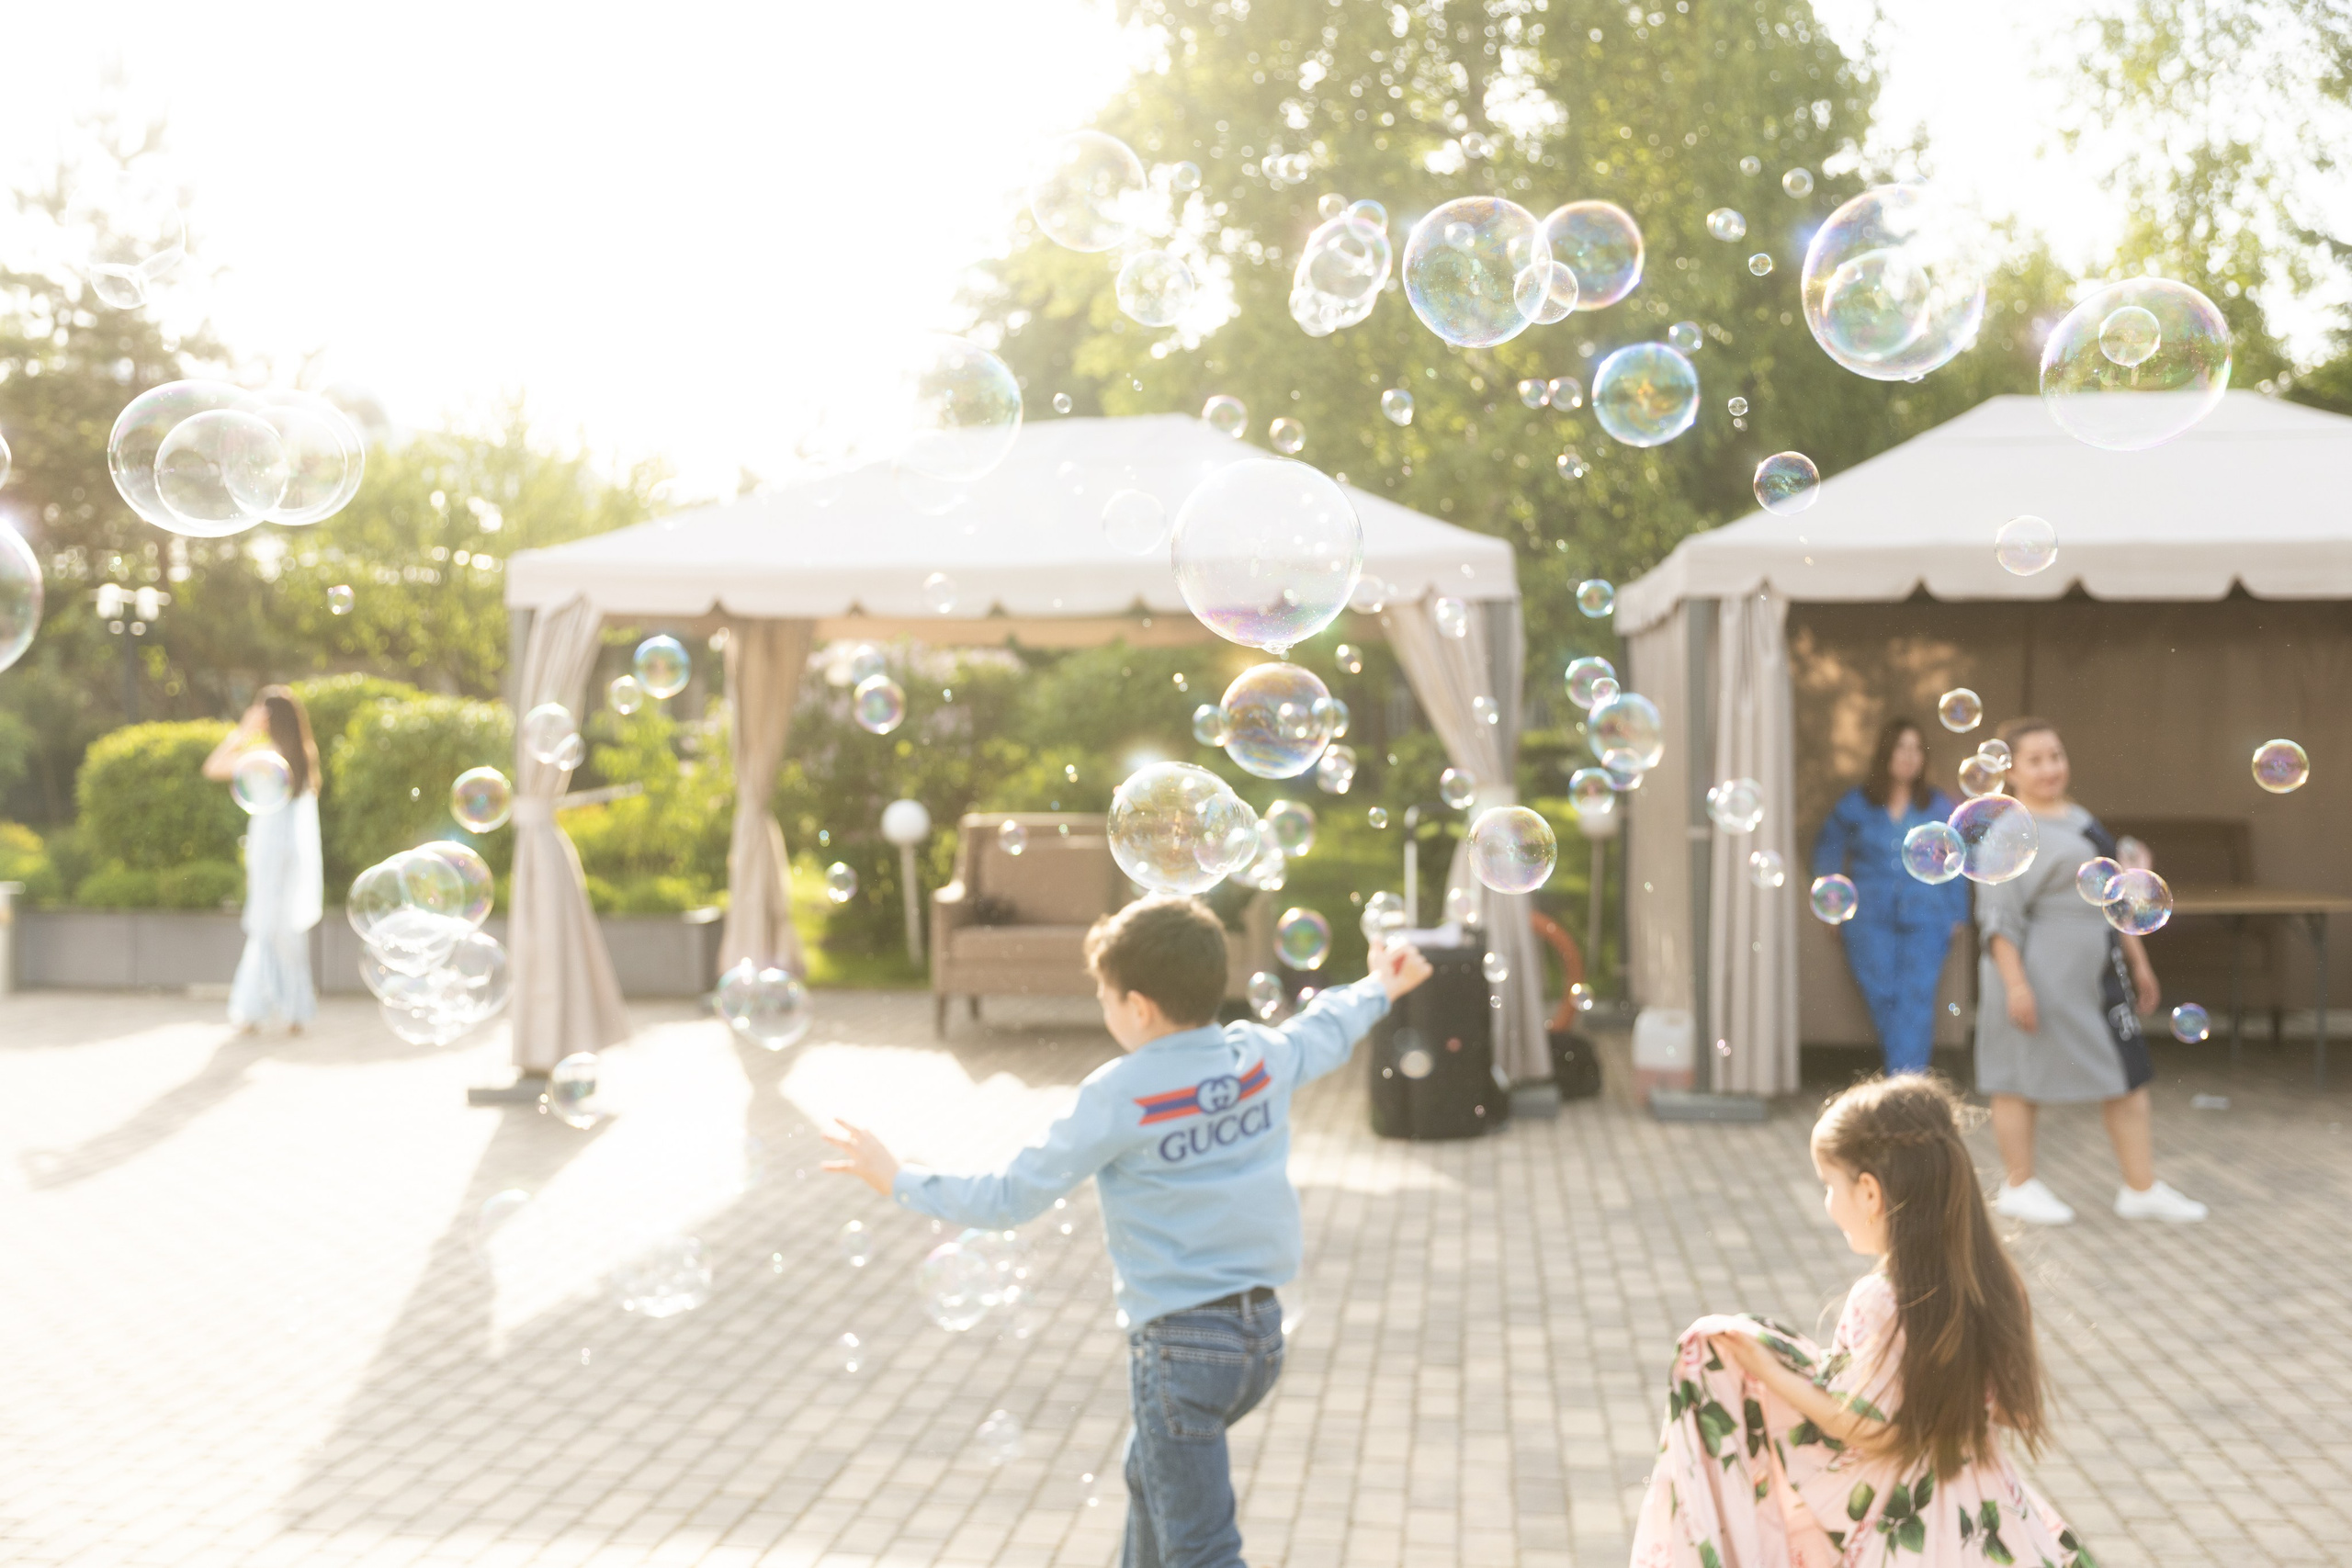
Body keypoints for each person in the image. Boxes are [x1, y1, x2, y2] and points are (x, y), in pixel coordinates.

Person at [824, 895, 1431, 1568]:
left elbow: (1009, 1195)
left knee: (1201, 1550)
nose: (1103, 1008)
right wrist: (1381, 984)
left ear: (1138, 1006)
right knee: (1151, 1477)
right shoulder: (1257, 1056)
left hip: (1180, 1352)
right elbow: (1325, 1027)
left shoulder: (1119, 1094)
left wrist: (898, 1177)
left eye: (1105, 996)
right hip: (1259, 1340)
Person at [1629, 1075, 2095, 1568]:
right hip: (1992, 1514)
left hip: (1911, 1532)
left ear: (1870, 1193)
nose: (1829, 1203)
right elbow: (2012, 1412)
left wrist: (1769, 1372)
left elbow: (1870, 1429)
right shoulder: (1999, 1281)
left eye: (1830, 1185)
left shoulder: (1881, 1299)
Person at [1973, 717, 2206, 1225]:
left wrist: (2138, 962)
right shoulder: (2005, 833)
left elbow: (2112, 895)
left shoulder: (2077, 815)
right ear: (2009, 772)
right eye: (2035, 760)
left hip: (2094, 976)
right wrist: (2016, 986)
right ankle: (2019, 1185)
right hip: (2033, 979)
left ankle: (2140, 1188)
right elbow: (1997, 920)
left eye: (2055, 755)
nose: (2050, 767)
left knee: (2127, 1074)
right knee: (2017, 1078)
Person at [1811, 717, 1969, 1074]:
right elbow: (1827, 851)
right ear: (1886, 753)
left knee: (1917, 999)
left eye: (1916, 749)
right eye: (1902, 747)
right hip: (1868, 918)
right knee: (1882, 994)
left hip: (1928, 916)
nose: (1910, 756)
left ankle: (1904, 1084)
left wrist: (1957, 912)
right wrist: (1832, 906)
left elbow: (1955, 860)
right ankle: (1908, 1079)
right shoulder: (1856, 803)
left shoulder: (1939, 805)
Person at [202, 686, 324, 1035]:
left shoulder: (267, 757)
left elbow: (213, 767)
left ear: (267, 717)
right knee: (282, 931)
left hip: (270, 855)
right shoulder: (301, 757)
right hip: (291, 857)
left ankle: (255, 1011)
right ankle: (291, 1011)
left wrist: (244, 729)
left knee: (265, 929)